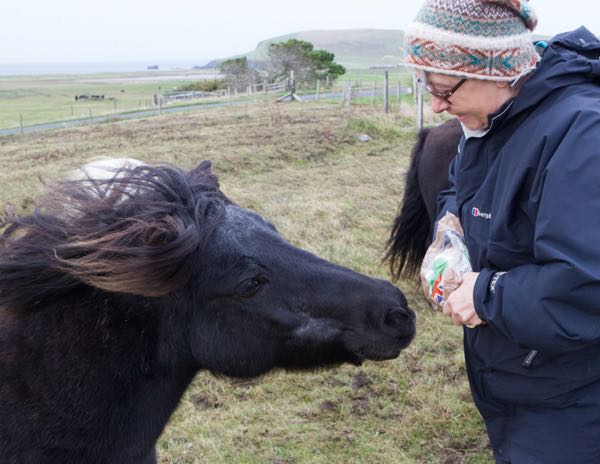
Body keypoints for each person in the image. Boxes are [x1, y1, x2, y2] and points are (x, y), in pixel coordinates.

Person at [404, 0, 600, 462]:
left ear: (497, 70)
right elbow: (459, 188)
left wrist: (484, 293)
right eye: (427, 86)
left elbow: (586, 285)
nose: (436, 105)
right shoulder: (491, 121)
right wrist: (449, 234)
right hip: (519, 379)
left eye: (445, 89)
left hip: (572, 396)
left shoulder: (583, 134)